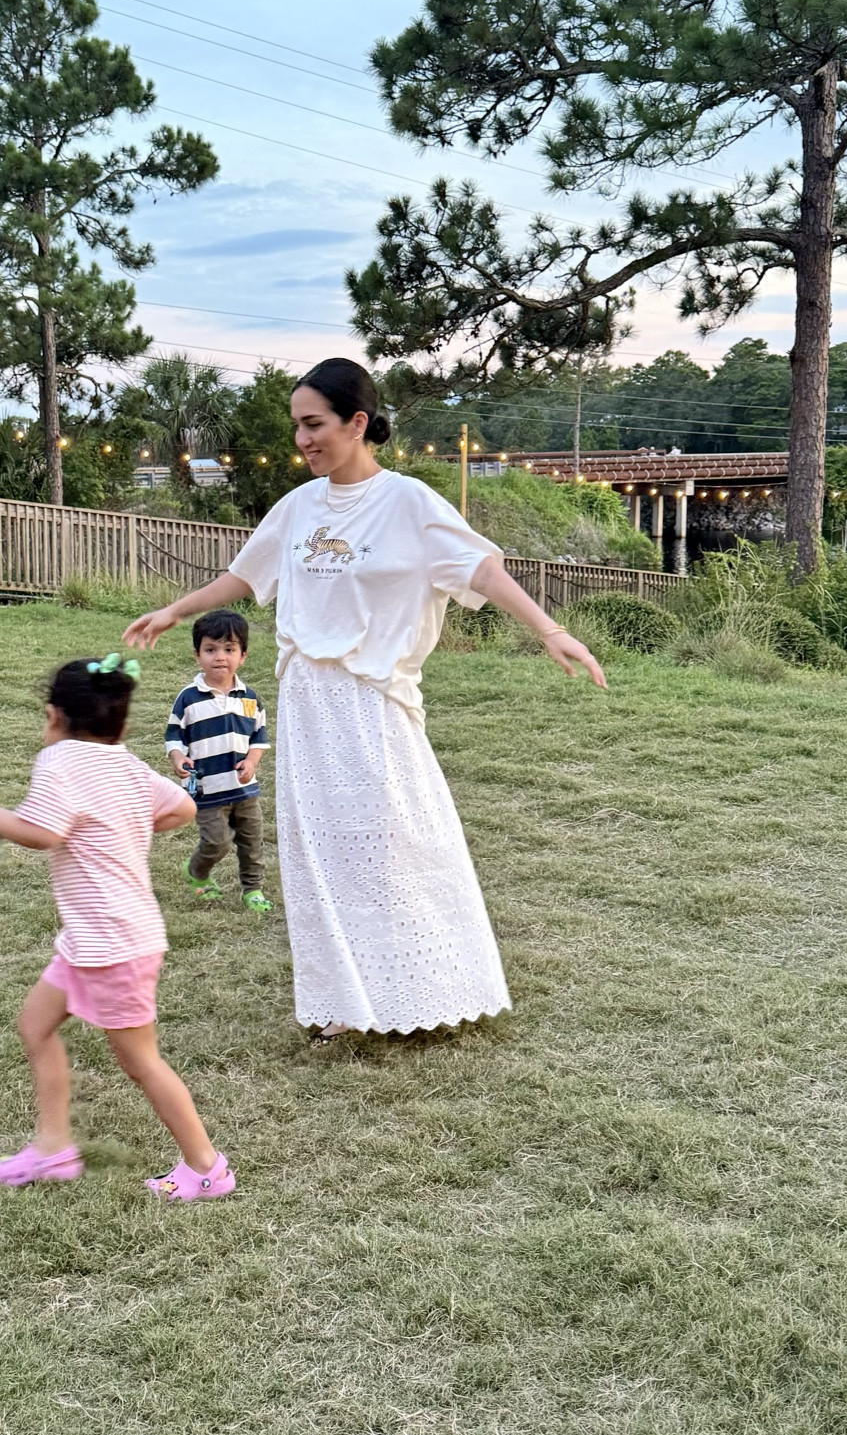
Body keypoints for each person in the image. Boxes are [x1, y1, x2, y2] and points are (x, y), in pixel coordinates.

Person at [125, 358, 606, 1039]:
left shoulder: (408, 503)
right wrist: (174, 611)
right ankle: (347, 1004)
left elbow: (483, 569)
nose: (303, 440)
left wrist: (549, 630)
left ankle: (427, 984)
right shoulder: (297, 508)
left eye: (314, 424)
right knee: (322, 852)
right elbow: (242, 576)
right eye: (296, 426)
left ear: (358, 423)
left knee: (395, 842)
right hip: (308, 704)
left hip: (376, 703)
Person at [0, 652, 236, 1201]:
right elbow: (182, 805)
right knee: (35, 1025)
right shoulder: (125, 763)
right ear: (122, 725)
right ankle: (52, 1148)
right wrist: (126, 826)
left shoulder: (59, 762)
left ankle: (207, 1169)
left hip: (113, 943)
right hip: (92, 940)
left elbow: (42, 832)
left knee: (140, 1061)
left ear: (52, 717)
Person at [164, 608, 271, 914]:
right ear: (197, 655)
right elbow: (174, 735)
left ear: (243, 655)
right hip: (208, 789)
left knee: (253, 842)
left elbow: (259, 738)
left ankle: (252, 889)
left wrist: (252, 762)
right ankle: (197, 870)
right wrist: (177, 756)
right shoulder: (188, 698)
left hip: (244, 789)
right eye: (211, 649)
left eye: (229, 649)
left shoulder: (249, 698)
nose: (220, 657)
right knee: (217, 842)